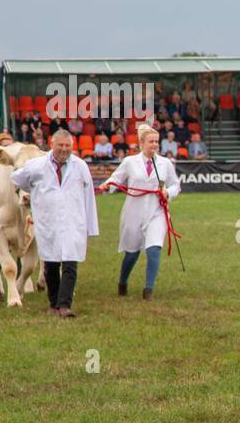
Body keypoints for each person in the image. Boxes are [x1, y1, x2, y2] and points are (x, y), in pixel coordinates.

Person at [10, 128, 99, 318]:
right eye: (61, 145)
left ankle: (64, 305)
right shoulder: (36, 165)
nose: (64, 149)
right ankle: (53, 303)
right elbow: (17, 179)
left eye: (68, 146)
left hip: (73, 220)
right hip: (47, 221)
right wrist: (33, 190)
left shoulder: (80, 166)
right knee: (50, 264)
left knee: (70, 263)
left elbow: (89, 195)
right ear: (52, 144)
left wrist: (91, 226)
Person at [96, 124, 181, 301]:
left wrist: (168, 192)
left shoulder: (165, 163)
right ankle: (122, 282)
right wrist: (107, 185)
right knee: (132, 252)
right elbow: (116, 178)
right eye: (151, 141)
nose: (155, 145)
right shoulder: (129, 162)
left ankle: (148, 290)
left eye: (157, 142)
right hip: (133, 211)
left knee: (154, 248)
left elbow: (176, 185)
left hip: (156, 211)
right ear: (141, 143)